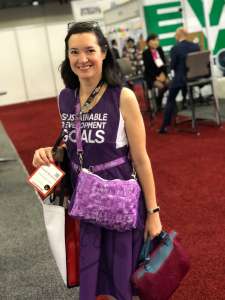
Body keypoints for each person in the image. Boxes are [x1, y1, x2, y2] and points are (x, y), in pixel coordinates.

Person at [32, 21, 162, 300]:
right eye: (74, 52)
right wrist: (49, 153)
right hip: (87, 204)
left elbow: (141, 159)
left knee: (122, 283)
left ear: (104, 52)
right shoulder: (65, 98)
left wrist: (154, 213)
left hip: (122, 205)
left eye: (89, 50)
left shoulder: (122, 97)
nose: (82, 59)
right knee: (93, 283)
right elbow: (75, 144)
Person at [159, 28, 200, 133]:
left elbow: (172, 66)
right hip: (195, 78)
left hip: (181, 79)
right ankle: (185, 104)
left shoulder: (175, 48)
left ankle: (164, 126)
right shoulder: (196, 46)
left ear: (179, 35)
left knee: (170, 99)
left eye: (175, 35)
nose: (175, 37)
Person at [142, 34, 169, 112]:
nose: (156, 42)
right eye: (154, 40)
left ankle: (164, 102)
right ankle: (158, 103)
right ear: (149, 42)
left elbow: (163, 64)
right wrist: (156, 77)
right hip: (151, 76)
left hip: (161, 74)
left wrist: (164, 74)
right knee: (161, 86)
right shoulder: (145, 53)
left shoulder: (160, 50)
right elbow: (148, 68)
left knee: (169, 83)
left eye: (157, 40)